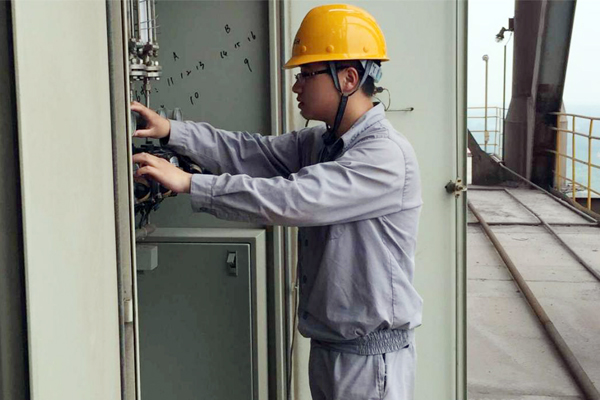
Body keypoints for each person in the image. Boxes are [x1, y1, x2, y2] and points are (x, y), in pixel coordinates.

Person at [132, 4, 422, 399]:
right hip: (331, 350)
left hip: (369, 364)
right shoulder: (322, 143)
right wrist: (172, 131)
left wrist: (190, 184)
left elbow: (294, 198)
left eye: (306, 74)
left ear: (348, 78)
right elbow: (250, 151)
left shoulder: (384, 156)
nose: (296, 86)